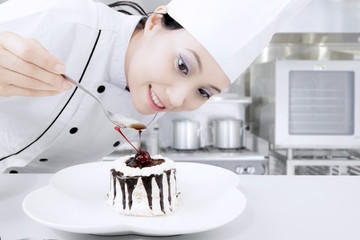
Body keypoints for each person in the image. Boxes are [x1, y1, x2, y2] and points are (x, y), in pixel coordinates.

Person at [0, 0, 311, 173]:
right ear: (154, 22)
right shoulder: (61, 19)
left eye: (203, 92)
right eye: (182, 65)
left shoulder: (151, 94)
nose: (175, 98)